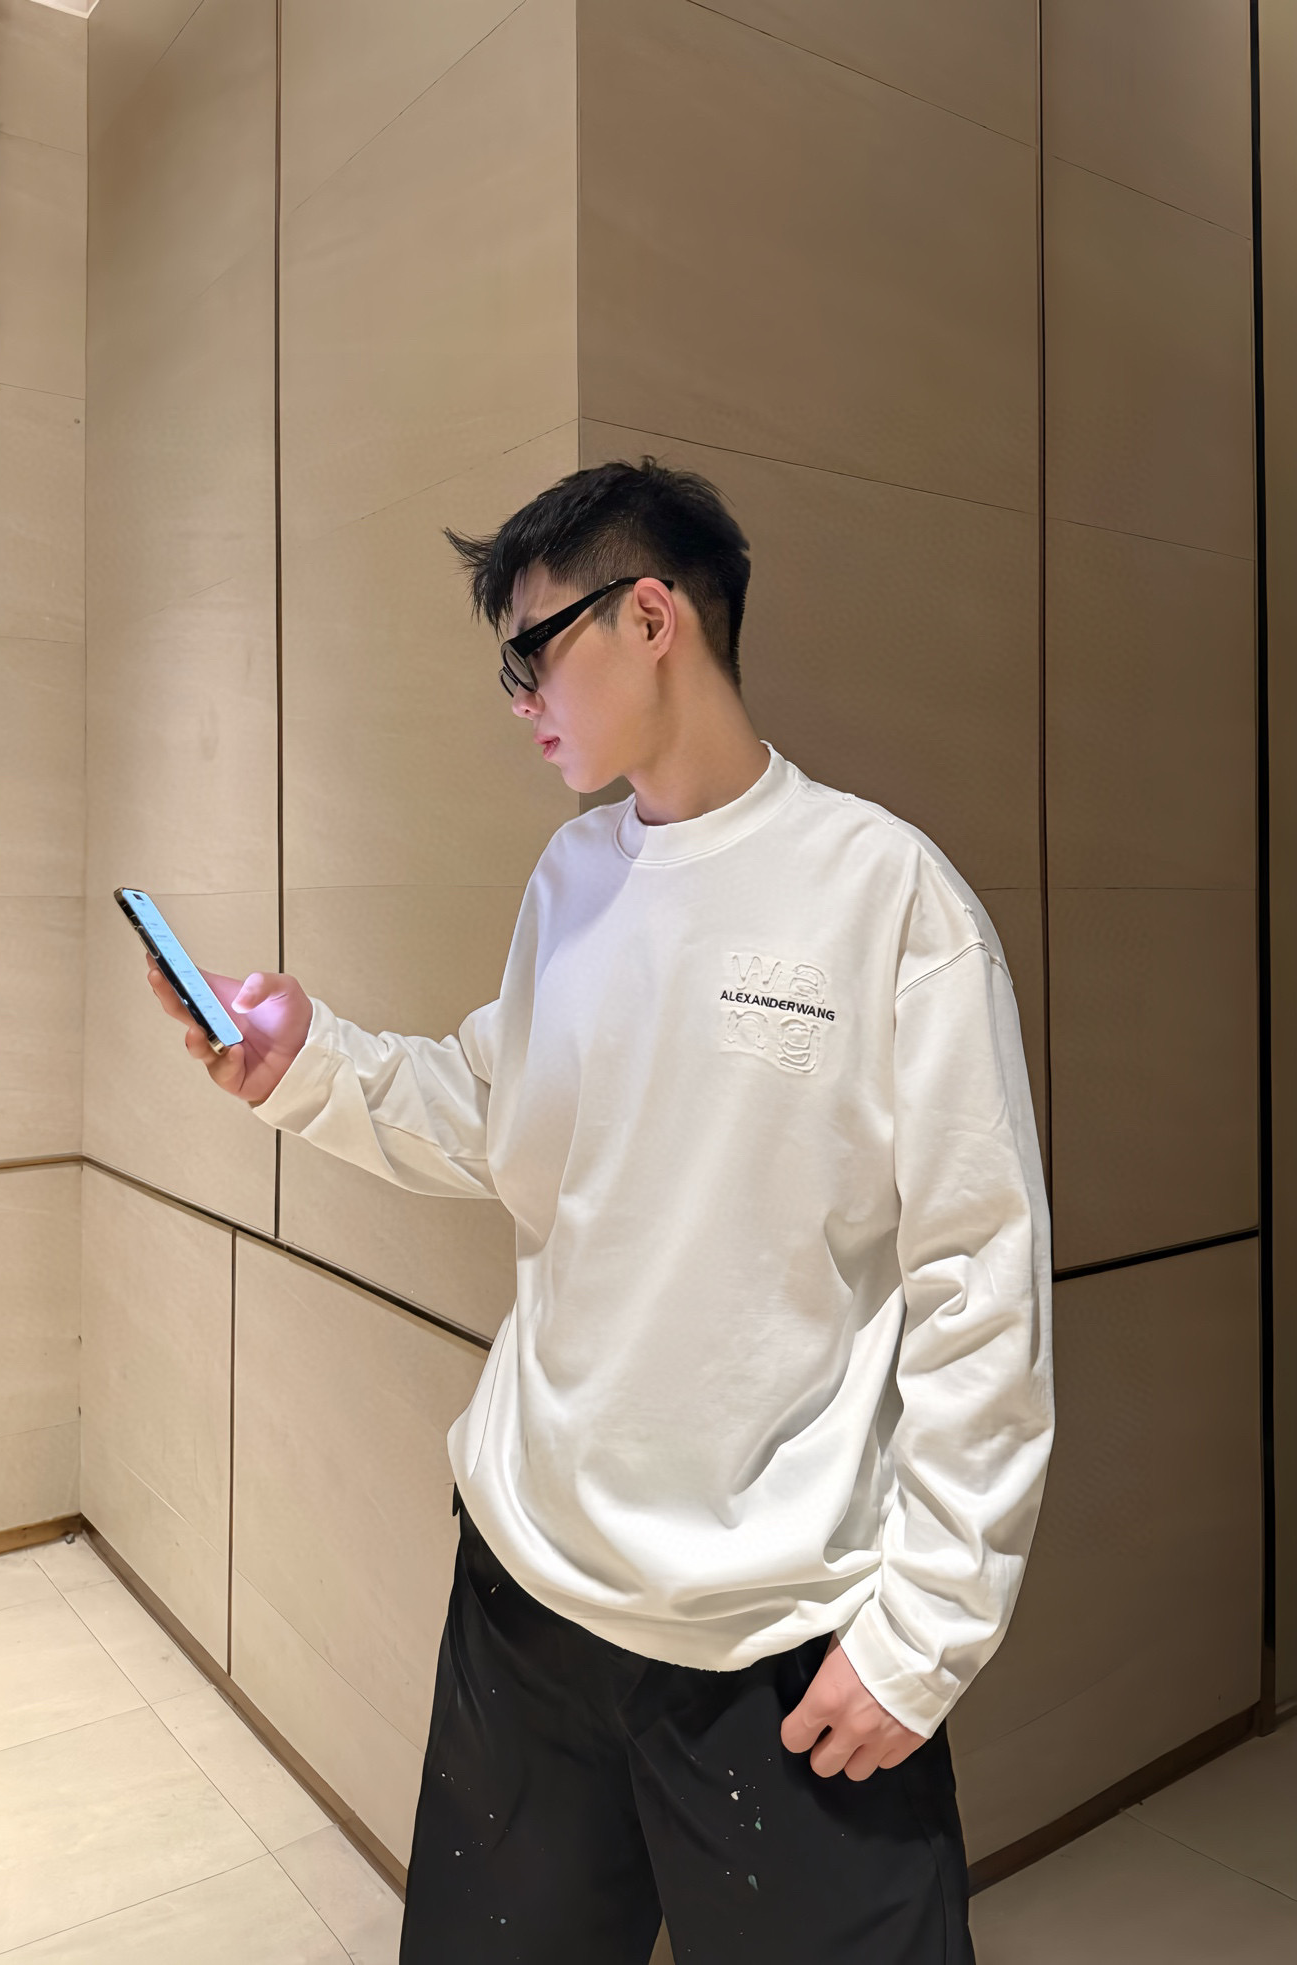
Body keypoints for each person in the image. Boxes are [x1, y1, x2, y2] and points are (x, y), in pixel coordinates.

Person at [144, 456, 1054, 1963]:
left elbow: (983, 1282)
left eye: (531, 650)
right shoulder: (573, 874)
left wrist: (927, 1632)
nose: (517, 700)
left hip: (774, 1644)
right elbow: (498, 1112)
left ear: (651, 616)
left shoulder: (889, 897)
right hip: (524, 1597)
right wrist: (308, 1062)